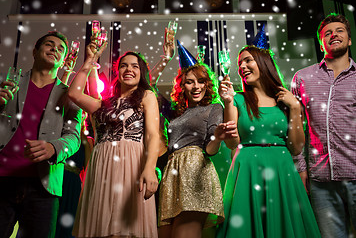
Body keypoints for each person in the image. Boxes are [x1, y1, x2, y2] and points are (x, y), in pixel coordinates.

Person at [217, 45, 321, 237]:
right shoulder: (238, 99)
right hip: (248, 169)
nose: (242, 66)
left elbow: (296, 148)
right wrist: (228, 102)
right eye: (240, 63)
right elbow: (232, 143)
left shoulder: (286, 101)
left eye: (248, 60)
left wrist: (296, 108)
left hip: (281, 169)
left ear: (264, 63)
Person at [69, 34, 160, 237]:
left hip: (131, 163)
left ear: (142, 72)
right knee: (101, 228)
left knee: (126, 229)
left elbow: (153, 136)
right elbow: (74, 93)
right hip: (101, 165)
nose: (128, 69)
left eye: (135, 66)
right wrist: (90, 60)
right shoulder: (103, 103)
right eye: (124, 66)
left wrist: (150, 169)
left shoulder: (147, 96)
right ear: (117, 71)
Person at [0, 31, 82, 237]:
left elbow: (74, 137)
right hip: (2, 180)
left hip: (44, 187)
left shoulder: (70, 95)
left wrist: (54, 147)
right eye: (49, 44)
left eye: (61, 49)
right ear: (35, 52)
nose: (55, 49)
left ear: (64, 60)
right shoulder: (9, 83)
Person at [158, 41, 237, 238]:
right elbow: (148, 88)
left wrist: (217, 138)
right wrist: (166, 58)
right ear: (182, 85)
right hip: (172, 173)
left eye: (201, 81)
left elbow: (210, 150)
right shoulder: (176, 112)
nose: (196, 87)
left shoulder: (214, 108)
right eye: (190, 81)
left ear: (207, 84)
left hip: (195, 171)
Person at [291, 13, 356, 238]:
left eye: (339, 31)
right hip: (321, 181)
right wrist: (301, 167)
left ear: (349, 40)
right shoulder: (302, 78)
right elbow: (295, 125)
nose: (333, 35)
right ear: (321, 43)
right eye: (327, 33)